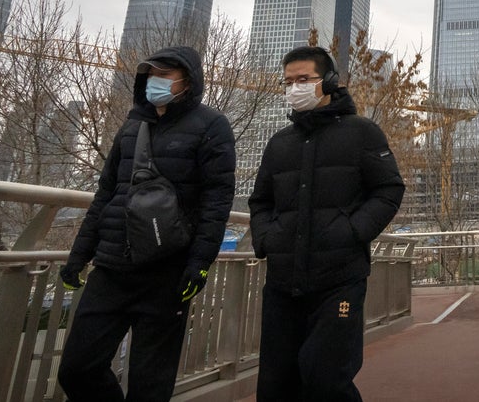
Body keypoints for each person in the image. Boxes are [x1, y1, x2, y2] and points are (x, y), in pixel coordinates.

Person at [57, 45, 236, 402]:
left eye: (166, 74)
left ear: (189, 80)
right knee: (77, 369)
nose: (155, 81)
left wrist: (199, 265)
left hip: (166, 272)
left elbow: (216, 203)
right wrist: (79, 255)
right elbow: (106, 193)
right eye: (151, 74)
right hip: (110, 268)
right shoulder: (132, 124)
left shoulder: (212, 126)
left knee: (150, 384)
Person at [249, 45, 405, 401]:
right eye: (288, 82)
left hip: (339, 280)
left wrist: (352, 232)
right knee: (275, 384)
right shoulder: (279, 143)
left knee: (325, 378)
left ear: (330, 82)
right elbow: (260, 201)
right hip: (282, 281)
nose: (294, 88)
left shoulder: (363, 132)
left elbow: (389, 189)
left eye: (304, 79)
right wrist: (266, 239)